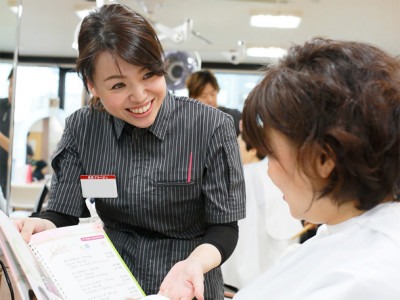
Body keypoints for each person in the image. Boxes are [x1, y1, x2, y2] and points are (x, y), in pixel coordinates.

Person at [14, 4, 245, 300]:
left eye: (149, 75)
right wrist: (38, 225)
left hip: (186, 287)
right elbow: (62, 214)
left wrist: (195, 264)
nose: (139, 96)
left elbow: (224, 229)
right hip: (111, 286)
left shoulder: (210, 126)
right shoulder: (82, 128)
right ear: (92, 85)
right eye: (119, 85)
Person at [234, 37, 400, 299]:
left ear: (323, 159)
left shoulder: (362, 278)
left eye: (273, 155)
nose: (269, 171)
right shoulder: (342, 229)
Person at [222, 122, 302, 290]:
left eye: (239, 145)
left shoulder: (243, 176)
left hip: (246, 252)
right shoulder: (270, 172)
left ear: (251, 150)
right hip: (276, 251)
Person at [186, 70, 242, 136]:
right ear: (192, 98)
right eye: (203, 96)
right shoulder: (185, 123)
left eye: (213, 94)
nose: (210, 100)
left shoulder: (234, 117)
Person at [0, 69, 13, 196]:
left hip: (9, 174)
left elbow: (14, 148)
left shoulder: (23, 113)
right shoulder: (1, 105)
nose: (10, 90)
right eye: (10, 84)